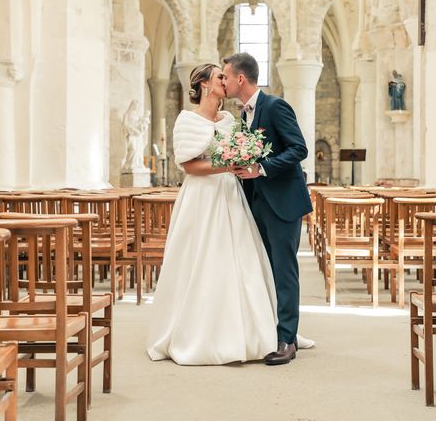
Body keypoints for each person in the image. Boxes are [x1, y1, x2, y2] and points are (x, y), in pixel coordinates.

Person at [146, 63, 278, 365]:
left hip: (229, 194)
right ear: (205, 84)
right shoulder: (187, 120)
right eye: (220, 76)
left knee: (237, 258)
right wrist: (225, 166)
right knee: (202, 258)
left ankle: (245, 331)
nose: (225, 80)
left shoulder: (230, 119)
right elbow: (190, 166)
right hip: (201, 196)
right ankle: (197, 333)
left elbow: (239, 152)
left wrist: (240, 162)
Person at [223, 52, 313, 365]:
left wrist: (260, 169)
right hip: (256, 202)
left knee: (284, 271)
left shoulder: (274, 106)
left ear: (240, 79)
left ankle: (287, 339)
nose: (223, 81)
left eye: (226, 76)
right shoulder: (243, 116)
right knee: (263, 268)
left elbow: (299, 148)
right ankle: (268, 330)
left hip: (282, 201)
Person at [122, 99, 150, 169]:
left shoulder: (137, 115)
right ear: (132, 105)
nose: (137, 107)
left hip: (138, 135)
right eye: (136, 105)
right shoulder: (127, 114)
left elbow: (140, 124)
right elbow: (125, 125)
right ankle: (127, 163)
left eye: (138, 106)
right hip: (132, 134)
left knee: (139, 150)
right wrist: (133, 130)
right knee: (133, 149)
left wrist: (142, 126)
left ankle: (137, 164)